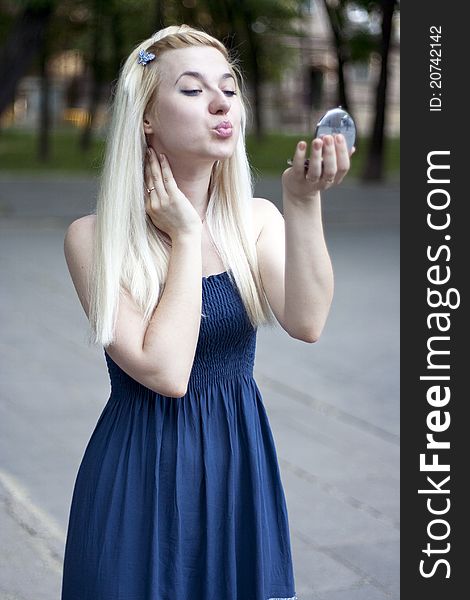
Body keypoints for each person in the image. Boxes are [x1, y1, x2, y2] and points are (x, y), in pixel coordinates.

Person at [61, 24, 354, 600]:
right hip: (139, 473)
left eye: (229, 88)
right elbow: (167, 373)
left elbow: (308, 321)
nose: (221, 103)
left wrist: (302, 203)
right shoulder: (93, 239)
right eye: (193, 91)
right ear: (146, 116)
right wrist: (187, 238)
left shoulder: (257, 218)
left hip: (237, 467)